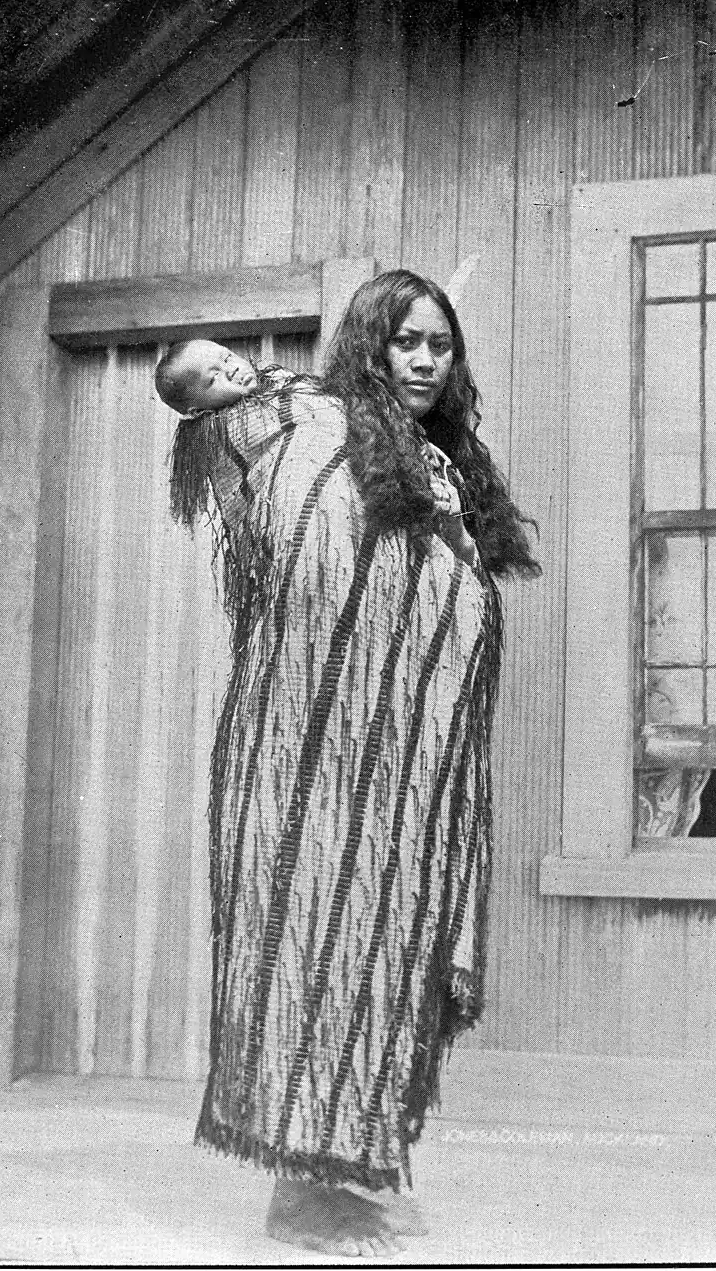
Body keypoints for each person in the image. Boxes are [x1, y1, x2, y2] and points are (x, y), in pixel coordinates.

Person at [162, 270, 539, 1258]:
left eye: (439, 345)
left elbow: (436, 584)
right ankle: (308, 1195)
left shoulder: (441, 457)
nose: (423, 360)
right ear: (368, 344)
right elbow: (271, 501)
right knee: (317, 949)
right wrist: (227, 397)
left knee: (383, 963)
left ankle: (345, 1179)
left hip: (412, 770)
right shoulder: (304, 427)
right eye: (404, 341)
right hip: (316, 767)